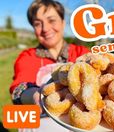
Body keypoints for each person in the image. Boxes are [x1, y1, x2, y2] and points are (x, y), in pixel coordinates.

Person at [9, 0, 89, 131]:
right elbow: (19, 89)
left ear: (63, 23)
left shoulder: (81, 53)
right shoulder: (27, 57)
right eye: (37, 24)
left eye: (51, 20)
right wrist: (35, 94)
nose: (45, 28)